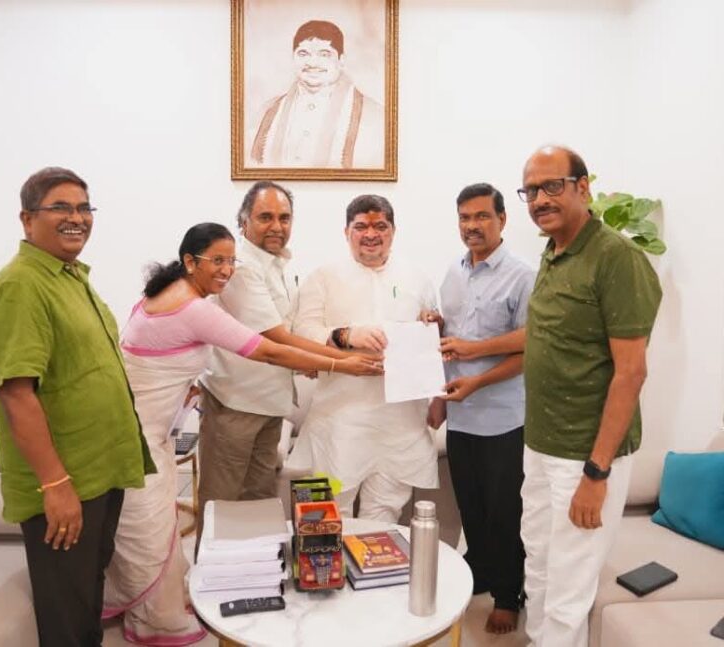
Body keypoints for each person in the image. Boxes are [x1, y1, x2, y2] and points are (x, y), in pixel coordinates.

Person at [104, 223, 381, 645]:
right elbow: (267, 348)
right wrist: (342, 363)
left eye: (231, 261)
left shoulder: (170, 292)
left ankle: (189, 596)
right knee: (151, 530)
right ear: (189, 261)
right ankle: (155, 619)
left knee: (160, 525)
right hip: (138, 436)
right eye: (217, 260)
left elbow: (158, 354)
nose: (227, 270)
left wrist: (184, 385)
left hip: (153, 429)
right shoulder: (194, 307)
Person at [0, 167, 156, 647]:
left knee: (85, 602)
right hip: (64, 483)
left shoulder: (70, 277)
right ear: (26, 218)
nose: (76, 217)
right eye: (60, 207)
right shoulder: (21, 286)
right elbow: (16, 393)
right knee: (66, 618)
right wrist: (55, 485)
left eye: (83, 207)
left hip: (97, 475)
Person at [518, 146, 662, 647]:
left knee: (568, 588)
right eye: (531, 191)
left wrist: (596, 473)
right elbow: (549, 336)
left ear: (583, 187)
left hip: (584, 454)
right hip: (541, 444)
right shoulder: (554, 252)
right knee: (538, 564)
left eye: (552, 186)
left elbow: (631, 373)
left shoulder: (616, 257)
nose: (540, 199)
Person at [197, 182, 366, 531]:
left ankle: (258, 567)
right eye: (265, 217)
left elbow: (288, 330)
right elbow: (275, 338)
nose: (277, 226)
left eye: (284, 218)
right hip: (236, 406)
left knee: (259, 503)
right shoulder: (242, 268)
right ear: (244, 221)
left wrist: (309, 362)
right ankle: (215, 567)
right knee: (223, 508)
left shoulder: (276, 266)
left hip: (271, 405)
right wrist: (341, 363)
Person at [427, 183, 535, 634]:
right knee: (471, 508)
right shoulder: (452, 273)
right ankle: (485, 574)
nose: (472, 225)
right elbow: (449, 344)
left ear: (502, 220)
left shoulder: (523, 276)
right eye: (465, 218)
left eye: (482, 216)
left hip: (504, 418)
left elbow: (531, 345)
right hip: (462, 417)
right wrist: (440, 394)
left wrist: (476, 365)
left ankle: (509, 595)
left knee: (504, 512)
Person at [290, 194, 438, 521]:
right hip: (342, 418)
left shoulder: (417, 278)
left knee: (385, 512)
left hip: (400, 421)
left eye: (380, 226)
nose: (371, 234)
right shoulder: (323, 277)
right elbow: (301, 332)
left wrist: (431, 323)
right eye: (361, 227)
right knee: (330, 512)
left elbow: (433, 334)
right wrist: (346, 335)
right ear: (347, 232)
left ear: (393, 231)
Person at [249, 19, 384, 169]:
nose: (312, 63)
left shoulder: (374, 116)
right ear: (293, 57)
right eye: (303, 53)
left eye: (324, 54)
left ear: (341, 60)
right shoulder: (267, 112)